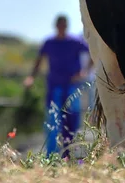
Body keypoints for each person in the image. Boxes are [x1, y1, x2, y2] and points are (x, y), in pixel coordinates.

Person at [24, 14, 93, 158]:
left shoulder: (75, 42)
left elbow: (93, 54)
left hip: (72, 88)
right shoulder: (49, 42)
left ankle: (69, 155)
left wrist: (84, 72)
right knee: (53, 122)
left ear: (66, 26)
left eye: (63, 25)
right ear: (56, 26)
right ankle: (51, 157)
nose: (61, 28)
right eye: (59, 25)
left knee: (72, 121)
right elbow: (38, 61)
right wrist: (31, 77)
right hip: (54, 87)